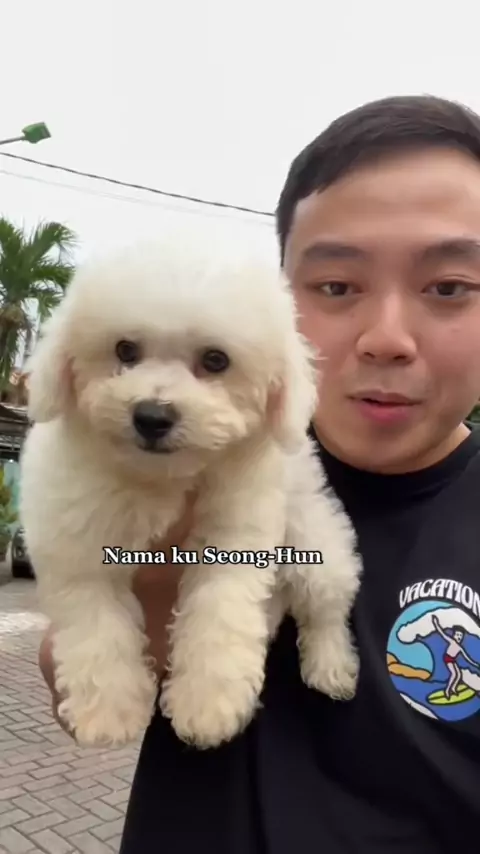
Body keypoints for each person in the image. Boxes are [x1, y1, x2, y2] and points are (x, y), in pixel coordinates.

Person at [39, 94, 480, 853]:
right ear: (280, 301)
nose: (387, 338)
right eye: (337, 285)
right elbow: (74, 661)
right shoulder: (213, 453)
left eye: (448, 287)